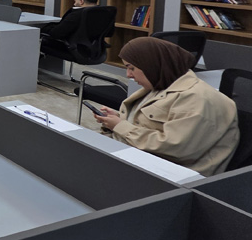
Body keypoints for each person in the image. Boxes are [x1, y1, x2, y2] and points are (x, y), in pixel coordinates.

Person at [94, 38, 239, 177]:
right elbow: (152, 124)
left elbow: (175, 147)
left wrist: (120, 126)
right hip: (138, 159)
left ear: (151, 65)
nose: (128, 75)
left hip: (169, 175)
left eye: (132, 68)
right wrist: (119, 119)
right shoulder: (161, 85)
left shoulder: (198, 99)